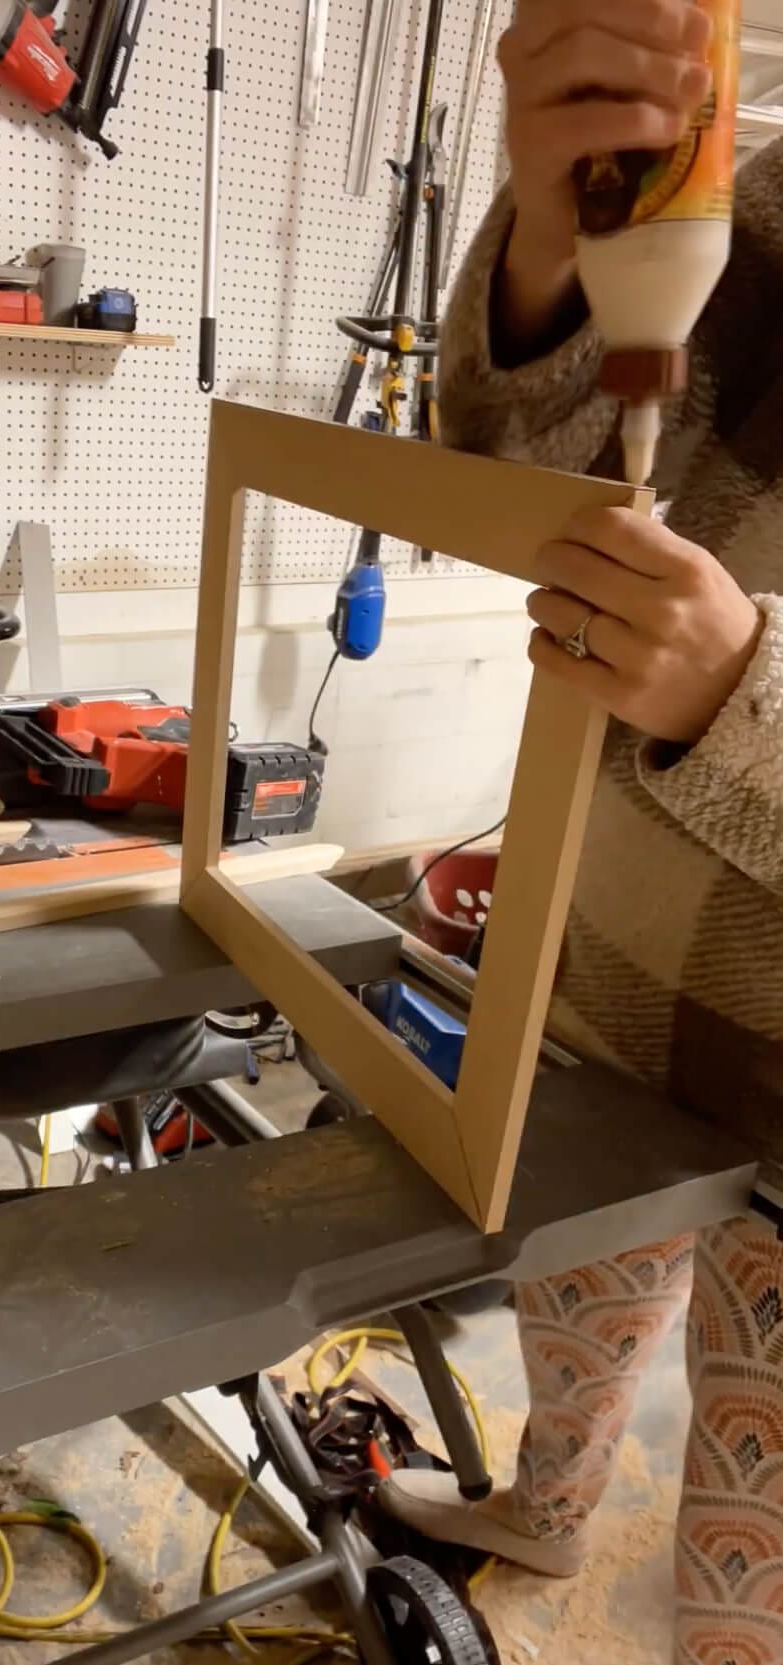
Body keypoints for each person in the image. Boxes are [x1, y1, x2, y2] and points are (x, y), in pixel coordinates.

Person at [379, 3, 783, 1659]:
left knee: (749, 1538)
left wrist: (745, 695)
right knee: (576, 1304)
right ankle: (543, 1510)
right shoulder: (764, 207)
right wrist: (553, 245)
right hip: (614, 957)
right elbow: (520, 478)